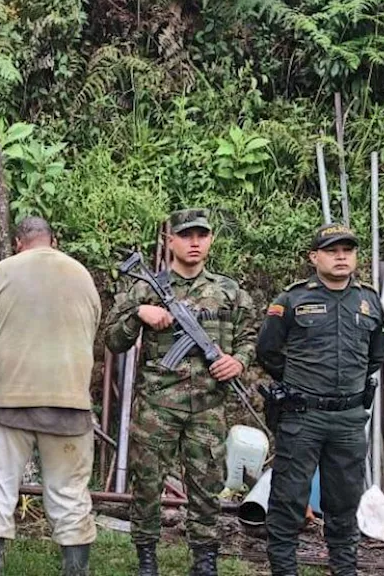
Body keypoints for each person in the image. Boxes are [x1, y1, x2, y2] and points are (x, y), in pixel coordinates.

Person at [104, 208, 256, 576]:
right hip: (158, 404)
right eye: (186, 236)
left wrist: (238, 362)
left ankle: (204, 558)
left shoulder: (229, 290)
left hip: (208, 406)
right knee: (147, 482)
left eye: (201, 236)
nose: (194, 243)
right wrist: (139, 311)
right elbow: (112, 339)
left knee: (207, 484)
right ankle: (146, 557)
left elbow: (250, 339)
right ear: (170, 240)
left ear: (210, 240)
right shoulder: (144, 288)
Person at [0, 217, 101, 576]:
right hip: (69, 404)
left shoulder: (3, 271)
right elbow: (92, 327)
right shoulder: (81, 274)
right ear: (53, 240)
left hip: (8, 402)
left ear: (17, 243)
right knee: (71, 497)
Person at [256, 223, 384, 576]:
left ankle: (344, 569)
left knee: (344, 501)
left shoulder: (370, 301)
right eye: (332, 250)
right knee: (288, 498)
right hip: (303, 416)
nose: (341, 256)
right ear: (315, 257)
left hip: (348, 420)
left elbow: (377, 356)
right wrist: (301, 384)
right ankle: (284, 570)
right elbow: (267, 351)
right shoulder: (292, 299)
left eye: (347, 249)